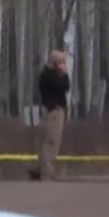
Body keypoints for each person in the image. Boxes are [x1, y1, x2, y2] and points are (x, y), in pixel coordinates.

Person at [30, 50, 70, 181]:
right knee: (52, 142)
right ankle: (47, 172)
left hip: (55, 111)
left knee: (48, 141)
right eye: (61, 61)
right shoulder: (48, 75)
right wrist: (63, 74)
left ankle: (39, 169)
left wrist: (63, 74)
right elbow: (61, 87)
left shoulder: (53, 74)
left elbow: (66, 87)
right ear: (55, 62)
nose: (63, 64)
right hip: (54, 111)